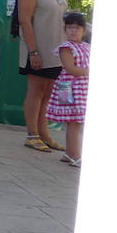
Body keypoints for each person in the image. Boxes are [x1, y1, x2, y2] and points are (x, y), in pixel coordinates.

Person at [16, 0, 67, 152]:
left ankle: (44, 133)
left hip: (55, 46)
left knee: (48, 92)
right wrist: (33, 51)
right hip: (38, 46)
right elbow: (25, 20)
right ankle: (32, 134)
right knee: (36, 90)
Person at [47, 11, 90, 167]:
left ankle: (70, 153)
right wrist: (91, 72)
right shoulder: (66, 48)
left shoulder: (86, 46)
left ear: (84, 31)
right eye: (70, 27)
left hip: (81, 89)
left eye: (77, 28)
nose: (73, 30)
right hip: (68, 87)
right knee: (74, 123)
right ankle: (75, 156)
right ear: (65, 30)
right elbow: (71, 69)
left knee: (74, 123)